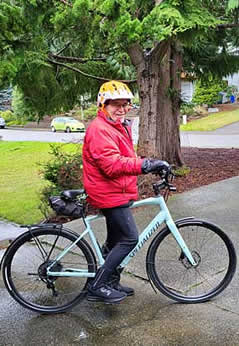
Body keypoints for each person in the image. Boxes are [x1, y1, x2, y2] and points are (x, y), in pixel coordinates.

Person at [82, 80, 170, 304]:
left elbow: (125, 157)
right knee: (130, 238)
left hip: (116, 191)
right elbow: (112, 165)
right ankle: (98, 285)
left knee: (115, 240)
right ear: (103, 105)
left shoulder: (117, 126)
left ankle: (110, 281)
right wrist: (146, 164)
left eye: (125, 104)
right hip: (108, 193)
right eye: (115, 105)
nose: (121, 109)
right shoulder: (100, 129)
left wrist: (147, 164)